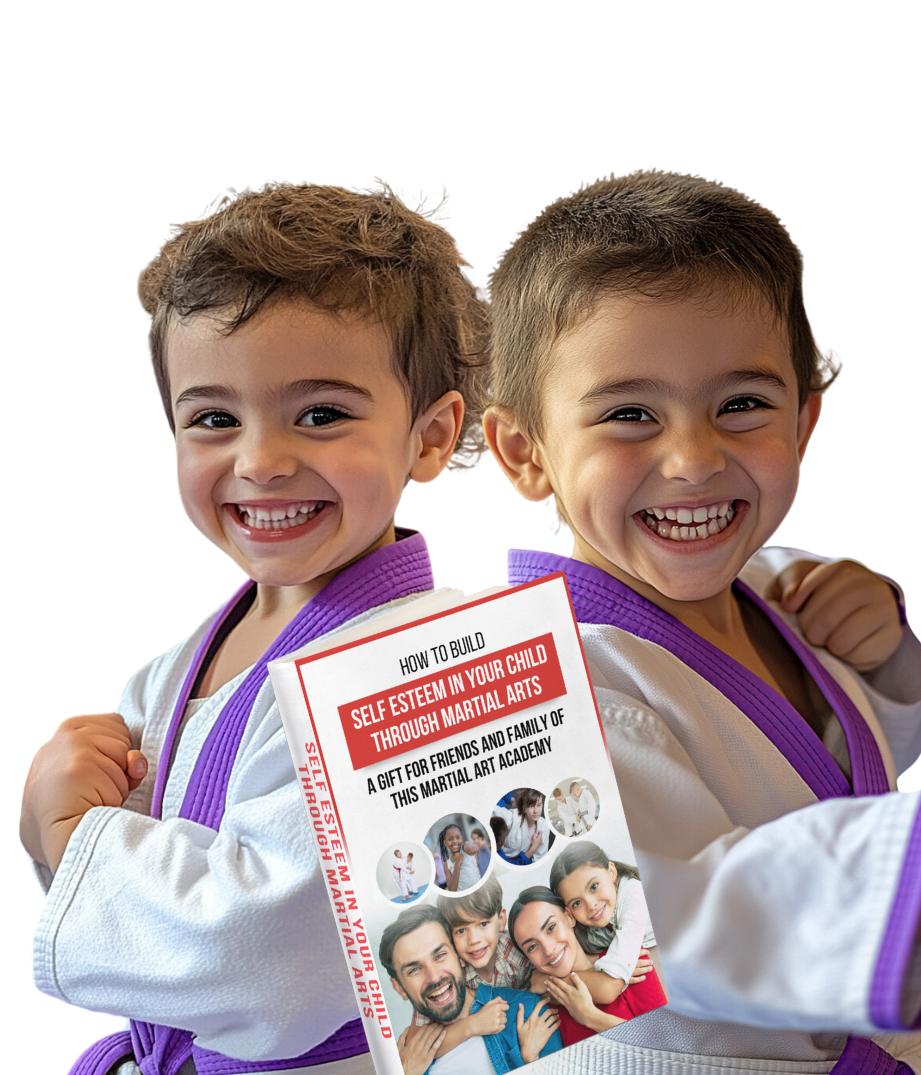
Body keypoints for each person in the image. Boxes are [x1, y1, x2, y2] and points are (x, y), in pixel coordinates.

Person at [483, 169, 921, 1073]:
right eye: (629, 413)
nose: (692, 458)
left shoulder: (778, 592)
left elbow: (835, 771)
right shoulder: (520, 684)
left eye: (741, 404)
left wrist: (883, 653)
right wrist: (905, 878)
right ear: (526, 454)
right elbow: (633, 931)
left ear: (805, 423)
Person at [20, 179, 486, 1075]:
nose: (262, 460)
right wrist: (74, 829)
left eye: (321, 414)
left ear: (430, 438)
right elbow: (142, 928)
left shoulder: (430, 667)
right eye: (214, 419)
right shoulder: (174, 669)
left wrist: (71, 835)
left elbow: (271, 960)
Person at [381, 904, 562, 1074]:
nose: (434, 977)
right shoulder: (407, 1062)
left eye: (440, 955)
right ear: (399, 988)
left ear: (460, 956)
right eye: (414, 970)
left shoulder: (530, 1014)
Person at [508, 887, 667, 1048]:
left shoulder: (627, 961)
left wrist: (591, 1017)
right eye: (532, 946)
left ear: (569, 917)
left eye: (551, 928)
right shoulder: (544, 1012)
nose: (548, 950)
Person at [549, 842, 655, 991]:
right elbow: (579, 962)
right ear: (569, 913)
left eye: (594, 887)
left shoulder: (634, 893)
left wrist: (617, 968)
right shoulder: (589, 928)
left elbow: (613, 978)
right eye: (577, 903)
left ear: (611, 872)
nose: (591, 905)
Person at [494, 788, 551, 863]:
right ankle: (513, 800)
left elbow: (539, 859)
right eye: (531, 806)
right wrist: (533, 849)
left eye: (539, 805)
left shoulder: (544, 826)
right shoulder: (510, 818)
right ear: (524, 809)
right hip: (506, 857)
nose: (536, 811)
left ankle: (513, 800)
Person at [437, 823, 483, 892]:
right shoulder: (447, 865)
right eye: (450, 839)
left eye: (457, 837)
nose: (455, 841)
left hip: (479, 891)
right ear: (445, 843)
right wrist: (457, 863)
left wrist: (472, 848)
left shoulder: (465, 848)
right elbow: (451, 889)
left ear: (461, 838)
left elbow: (468, 847)